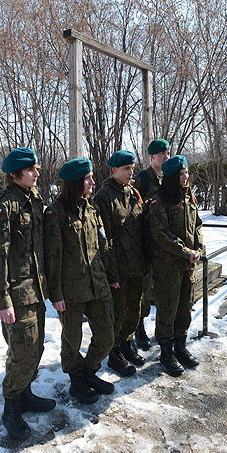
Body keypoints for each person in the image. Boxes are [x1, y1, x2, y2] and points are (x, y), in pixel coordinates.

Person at [0, 147, 55, 441]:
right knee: (22, 351)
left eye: (36, 169)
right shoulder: (4, 206)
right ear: (15, 174)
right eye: (31, 170)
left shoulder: (32, 199)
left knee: (35, 348)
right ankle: (11, 407)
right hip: (16, 293)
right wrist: (2, 301)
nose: (36, 174)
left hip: (35, 289)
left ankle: (25, 394)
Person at [43, 158, 115, 404]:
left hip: (98, 284)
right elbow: (52, 257)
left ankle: (89, 372)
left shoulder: (91, 208)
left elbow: (103, 246)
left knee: (106, 335)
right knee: (72, 340)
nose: (93, 182)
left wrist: (112, 277)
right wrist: (56, 294)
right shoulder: (55, 213)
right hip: (71, 290)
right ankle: (76, 380)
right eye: (88, 178)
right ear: (75, 182)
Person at [148, 155, 205, 377]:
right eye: (181, 174)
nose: (186, 177)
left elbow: (197, 225)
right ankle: (166, 352)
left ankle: (180, 345)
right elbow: (160, 233)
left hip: (188, 264)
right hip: (168, 266)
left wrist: (199, 247)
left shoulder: (189, 196)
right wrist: (186, 251)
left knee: (185, 306)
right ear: (172, 177)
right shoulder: (159, 200)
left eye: (187, 173)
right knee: (167, 309)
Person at [93, 150, 148, 377]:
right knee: (118, 311)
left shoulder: (132, 192)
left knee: (134, 309)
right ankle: (114, 351)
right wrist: (112, 274)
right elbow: (104, 239)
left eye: (132, 168)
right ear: (114, 170)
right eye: (126, 168)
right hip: (119, 265)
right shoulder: (103, 197)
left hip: (136, 263)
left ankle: (126, 343)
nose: (131, 172)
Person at [133, 138, 171, 350]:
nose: (166, 157)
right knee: (144, 291)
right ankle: (138, 329)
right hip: (145, 243)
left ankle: (163, 330)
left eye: (167, 153)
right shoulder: (142, 180)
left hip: (163, 244)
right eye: (161, 154)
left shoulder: (168, 177)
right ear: (152, 157)